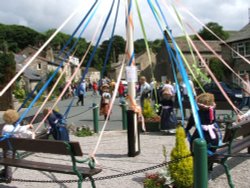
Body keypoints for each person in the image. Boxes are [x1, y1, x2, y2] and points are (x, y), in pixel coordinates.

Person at [186, 93, 219, 172]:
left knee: (194, 147)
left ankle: (197, 169)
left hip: (200, 135)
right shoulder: (212, 111)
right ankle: (209, 169)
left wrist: (186, 129)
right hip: (213, 137)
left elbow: (190, 123)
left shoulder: (196, 113)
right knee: (210, 153)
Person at [1, 109, 34, 182]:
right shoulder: (8, 127)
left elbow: (19, 130)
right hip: (9, 147)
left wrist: (30, 133)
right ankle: (8, 176)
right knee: (8, 161)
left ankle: (6, 174)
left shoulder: (8, 126)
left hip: (9, 147)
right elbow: (18, 130)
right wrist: (28, 126)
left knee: (8, 160)